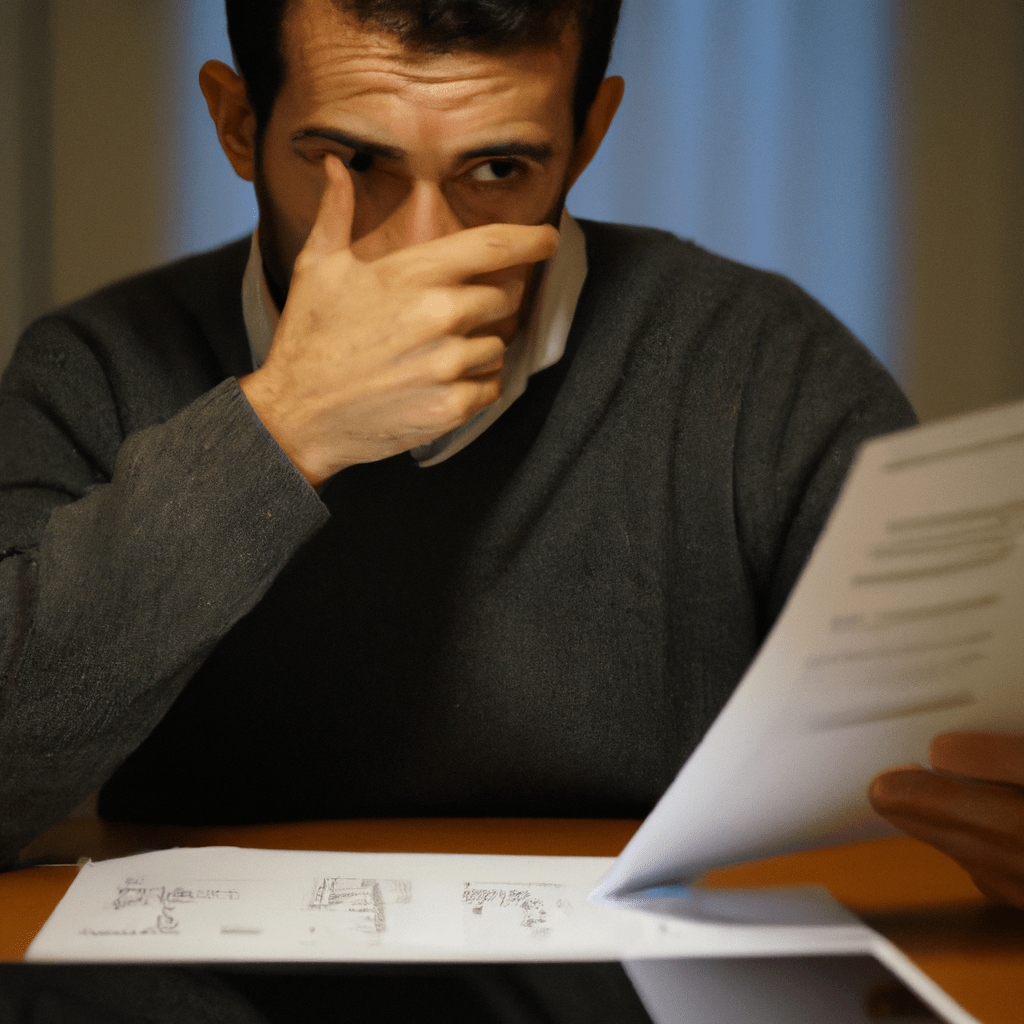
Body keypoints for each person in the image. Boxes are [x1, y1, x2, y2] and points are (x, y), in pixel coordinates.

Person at [0, 0, 1019, 1018]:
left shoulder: (763, 367)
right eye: (353, 161)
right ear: (235, 123)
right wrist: (286, 422)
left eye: (498, 171)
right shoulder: (94, 370)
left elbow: (939, 764)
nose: (422, 245)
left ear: (587, 134)